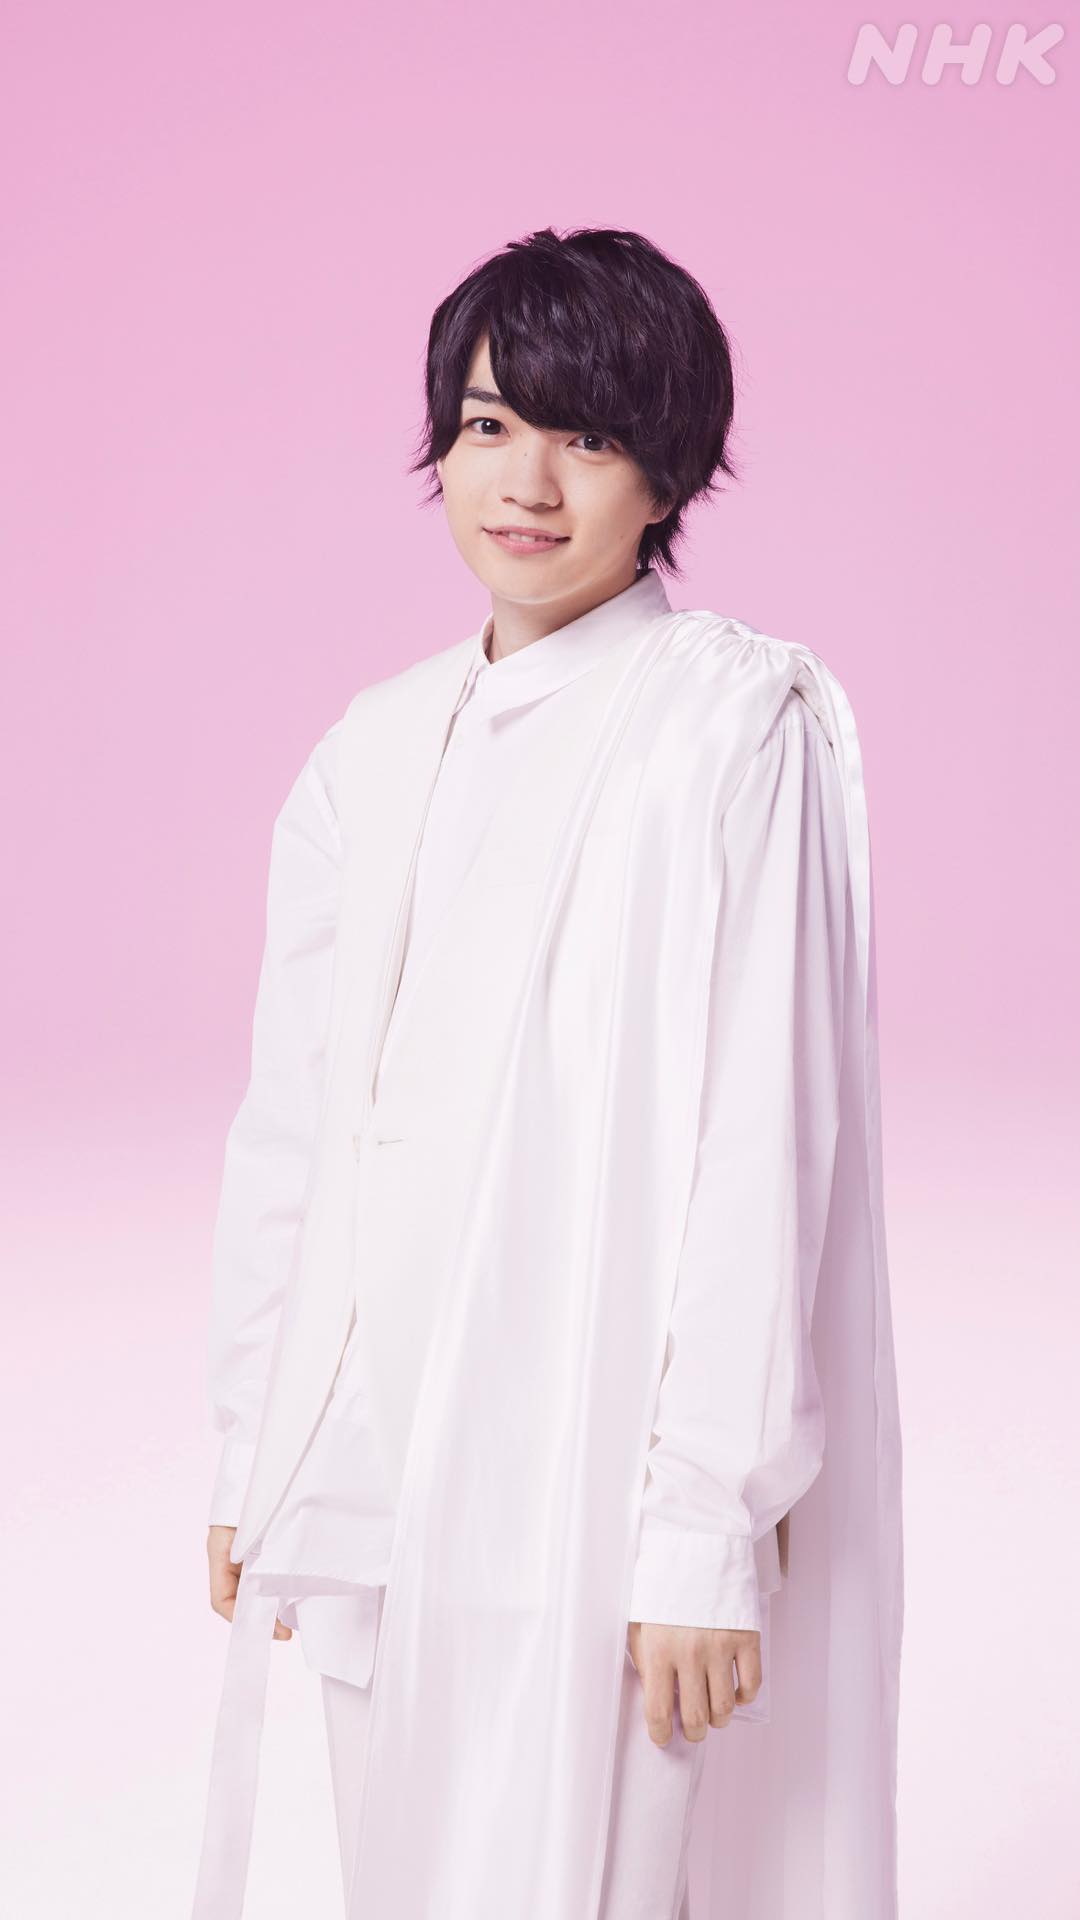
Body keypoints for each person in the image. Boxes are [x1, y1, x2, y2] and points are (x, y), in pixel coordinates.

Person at [191, 226, 903, 1920]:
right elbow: (297, 1127)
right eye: (490, 424)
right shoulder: (374, 745)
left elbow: (762, 1140)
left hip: (595, 1459)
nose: (526, 483)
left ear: (670, 471)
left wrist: (703, 1521)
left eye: (587, 435)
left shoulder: (730, 726)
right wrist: (255, 1449)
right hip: (376, 1463)